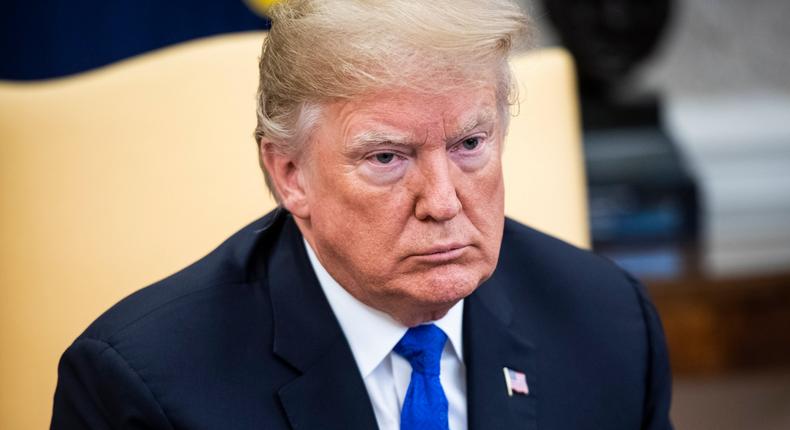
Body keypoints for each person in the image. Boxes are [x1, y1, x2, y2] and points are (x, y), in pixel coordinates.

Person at [51, 0, 673, 429]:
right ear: (290, 174)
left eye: (469, 145)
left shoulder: (611, 327)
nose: (444, 201)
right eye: (386, 156)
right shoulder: (141, 388)